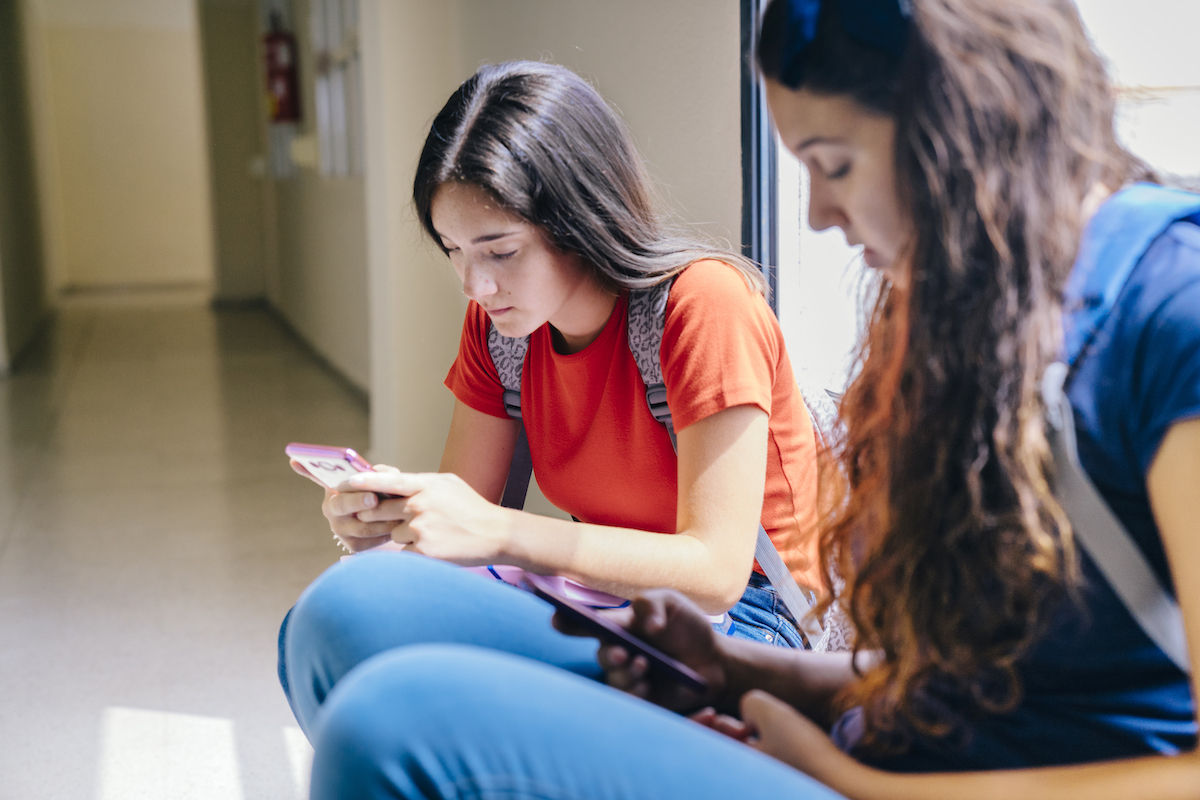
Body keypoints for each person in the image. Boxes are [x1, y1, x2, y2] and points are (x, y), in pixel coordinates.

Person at [291, 0, 1200, 797]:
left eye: (835, 164)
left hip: (873, 769)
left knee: (391, 725)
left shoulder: (1169, 312)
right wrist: (745, 674)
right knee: (348, 611)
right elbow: (989, 678)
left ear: (964, 129)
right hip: (851, 729)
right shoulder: (978, 314)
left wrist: (843, 774)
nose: (814, 214)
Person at [279, 60, 830, 744]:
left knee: (373, 645)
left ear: (580, 217)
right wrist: (387, 523)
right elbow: (462, 530)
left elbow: (715, 575)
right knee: (330, 620)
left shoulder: (703, 306)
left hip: (743, 630)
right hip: (598, 603)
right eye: (453, 251)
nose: (475, 284)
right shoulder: (501, 332)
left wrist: (505, 535)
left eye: (500, 251)